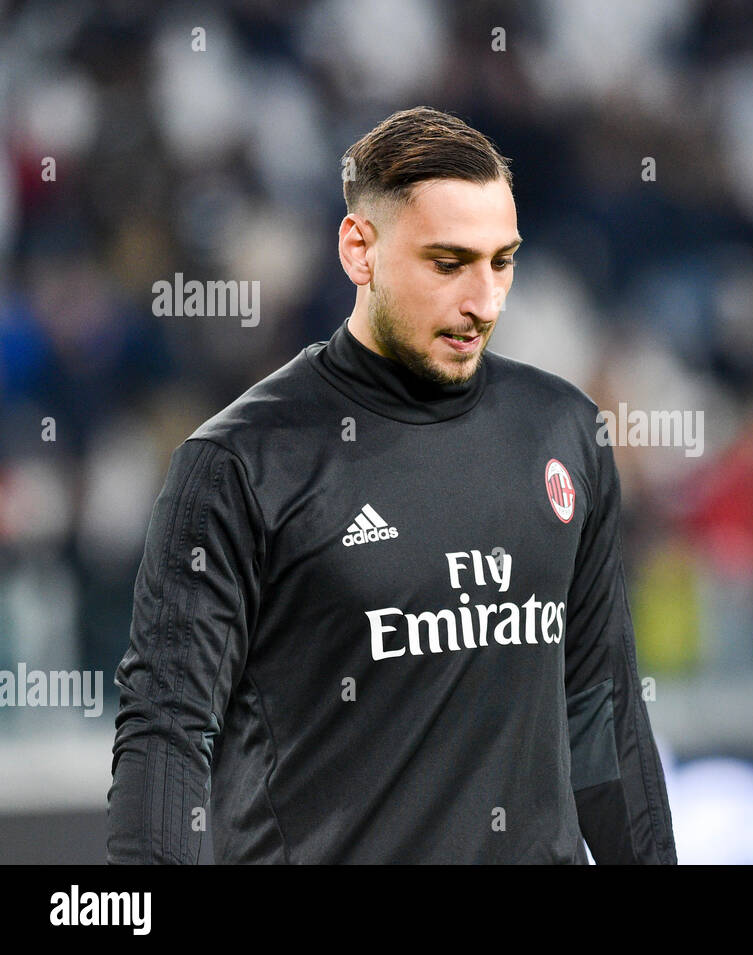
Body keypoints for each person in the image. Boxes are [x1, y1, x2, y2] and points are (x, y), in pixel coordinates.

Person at [106, 106, 677, 864]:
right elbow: (167, 734)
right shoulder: (244, 464)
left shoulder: (565, 432)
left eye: (501, 261)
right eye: (447, 262)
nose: (483, 301)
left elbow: (602, 719)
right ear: (359, 250)